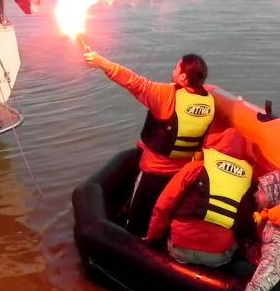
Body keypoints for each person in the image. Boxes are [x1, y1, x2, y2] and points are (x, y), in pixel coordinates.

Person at [84, 49, 214, 236]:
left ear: (184, 78)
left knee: (136, 221)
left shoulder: (166, 95)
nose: (174, 69)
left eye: (177, 68)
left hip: (154, 172)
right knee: (163, 214)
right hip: (180, 175)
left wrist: (102, 64)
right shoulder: (209, 102)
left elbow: (134, 82)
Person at [145, 128, 253, 267]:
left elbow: (163, 205)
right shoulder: (247, 181)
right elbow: (244, 225)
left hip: (181, 249)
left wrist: (153, 240)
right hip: (218, 257)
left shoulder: (195, 168)